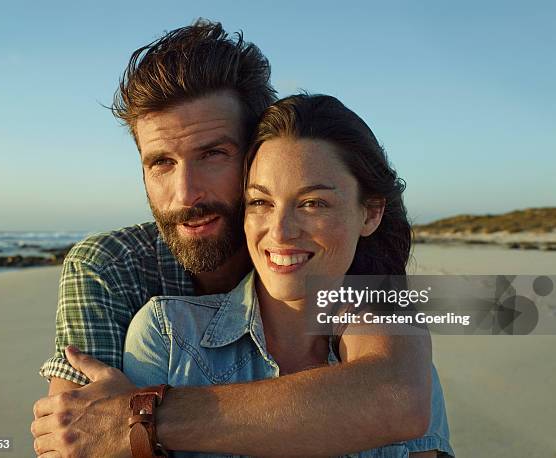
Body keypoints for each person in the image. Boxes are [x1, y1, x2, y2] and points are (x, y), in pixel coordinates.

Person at [32, 20, 441, 457]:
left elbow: (400, 394)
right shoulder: (115, 272)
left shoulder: (344, 260)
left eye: (212, 154)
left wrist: (143, 416)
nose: (186, 194)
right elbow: (78, 436)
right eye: (161, 163)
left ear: (258, 155)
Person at [123, 94, 454, 457]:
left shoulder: (402, 362)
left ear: (371, 213)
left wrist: (159, 419)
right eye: (261, 202)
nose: (280, 232)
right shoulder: (169, 335)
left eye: (313, 203)